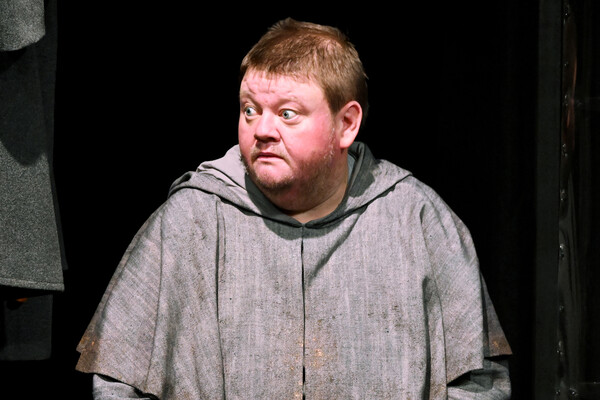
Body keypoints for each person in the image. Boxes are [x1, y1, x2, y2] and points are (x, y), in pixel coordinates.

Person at [76, 18, 512, 399]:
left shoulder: (416, 220)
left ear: (346, 124)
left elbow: (477, 381)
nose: (262, 130)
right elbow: (118, 380)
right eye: (250, 110)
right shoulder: (192, 220)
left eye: (287, 113)